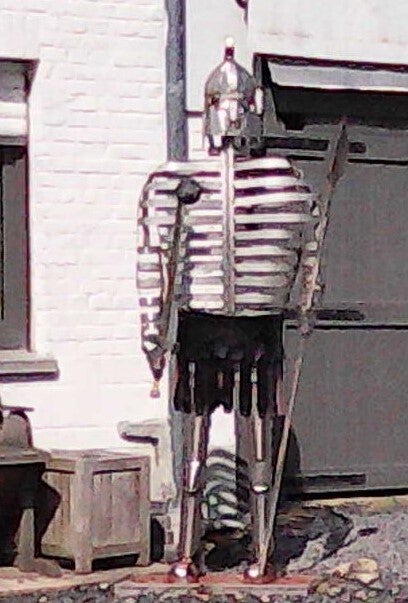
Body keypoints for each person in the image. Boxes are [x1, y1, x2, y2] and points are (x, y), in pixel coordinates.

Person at [137, 39, 319, 580]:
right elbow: (154, 260)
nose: (233, 116)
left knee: (259, 448)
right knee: (194, 447)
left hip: (259, 326)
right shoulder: (173, 180)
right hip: (199, 324)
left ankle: (258, 555)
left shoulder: (284, 180)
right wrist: (153, 331)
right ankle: (187, 553)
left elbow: (306, 256)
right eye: (225, 105)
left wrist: (306, 304)